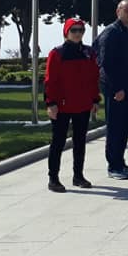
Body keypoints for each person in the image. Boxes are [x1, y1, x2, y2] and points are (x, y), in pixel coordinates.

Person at [44, 17, 100, 192]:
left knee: (80, 141)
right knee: (58, 142)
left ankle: (78, 176)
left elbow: (93, 79)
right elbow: (50, 81)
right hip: (61, 106)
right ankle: (53, 178)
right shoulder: (57, 53)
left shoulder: (89, 53)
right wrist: (50, 103)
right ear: (66, 32)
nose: (77, 33)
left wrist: (95, 100)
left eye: (80, 30)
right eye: (73, 30)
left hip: (82, 105)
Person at [94, 0, 128, 180]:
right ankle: (113, 166)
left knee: (124, 127)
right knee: (115, 127)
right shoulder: (111, 33)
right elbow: (105, 64)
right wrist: (117, 88)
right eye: (127, 10)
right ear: (118, 11)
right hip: (116, 89)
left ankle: (120, 162)